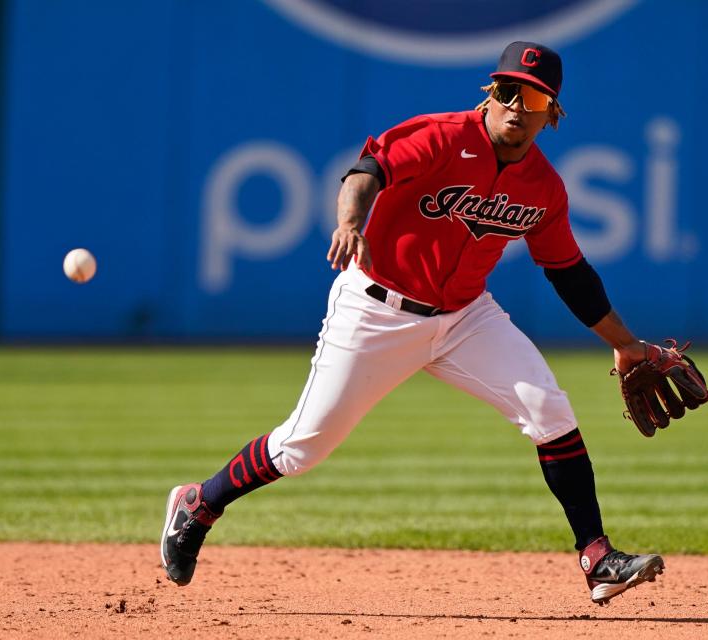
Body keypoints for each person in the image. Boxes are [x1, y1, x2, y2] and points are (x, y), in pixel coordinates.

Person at [161, 41, 668, 605]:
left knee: (550, 409)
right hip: (377, 309)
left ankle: (597, 557)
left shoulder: (544, 187)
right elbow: (367, 170)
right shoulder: (444, 135)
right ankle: (199, 502)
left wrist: (625, 344)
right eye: (507, 91)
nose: (517, 107)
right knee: (303, 448)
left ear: (553, 112)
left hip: (466, 318)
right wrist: (351, 221)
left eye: (534, 97)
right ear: (489, 93)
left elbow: (569, 271)